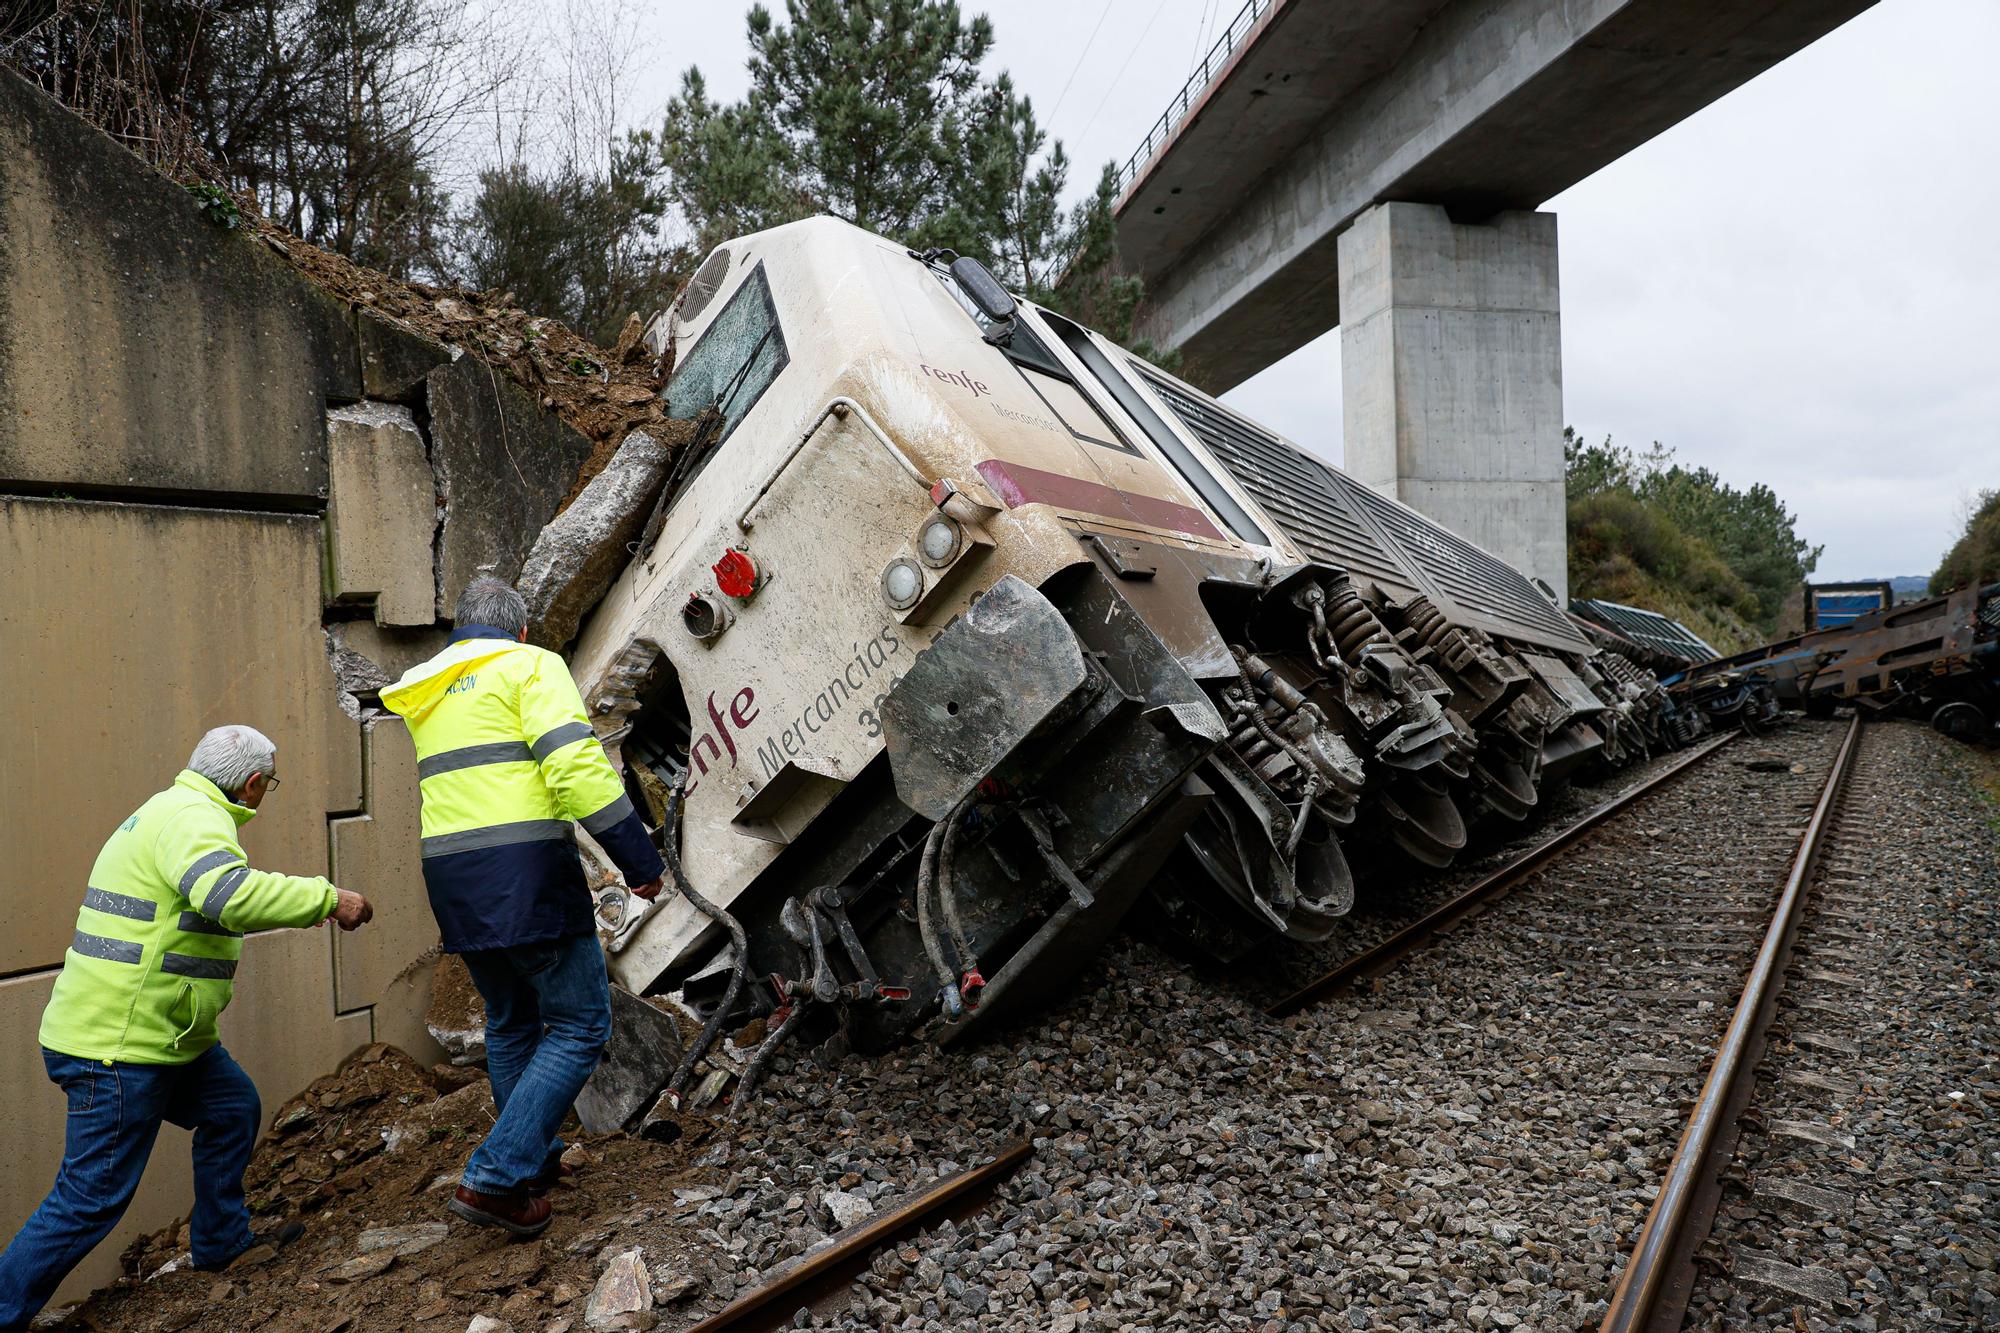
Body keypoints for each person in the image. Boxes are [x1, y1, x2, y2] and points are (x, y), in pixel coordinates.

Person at [0, 726, 373, 1328]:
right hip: (119, 1048)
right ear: (253, 784)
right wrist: (328, 899)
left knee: (231, 1108)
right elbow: (227, 895)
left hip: (163, 1038)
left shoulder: (170, 811)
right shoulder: (194, 819)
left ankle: (221, 1239)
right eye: (268, 785)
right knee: (89, 1199)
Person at [382, 577, 663, 1238]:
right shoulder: (530, 666)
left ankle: (528, 1161)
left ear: (461, 632)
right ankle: (498, 1176)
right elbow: (576, 769)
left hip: (453, 879)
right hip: (527, 873)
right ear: (523, 632)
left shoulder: (429, 691)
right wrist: (639, 859)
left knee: (510, 1019)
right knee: (579, 1024)